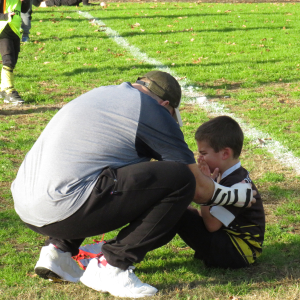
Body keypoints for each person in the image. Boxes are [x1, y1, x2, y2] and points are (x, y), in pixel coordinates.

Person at [12, 71, 255, 298]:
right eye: (171, 117)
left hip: (27, 205)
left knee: (105, 168)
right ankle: (113, 264)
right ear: (165, 106)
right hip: (65, 207)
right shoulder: (153, 112)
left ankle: (58, 252)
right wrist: (235, 195)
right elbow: (198, 190)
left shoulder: (102, 93)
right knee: (179, 178)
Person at [174, 116, 265, 269]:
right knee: (180, 208)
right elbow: (207, 217)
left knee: (177, 212)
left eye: (203, 153)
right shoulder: (225, 175)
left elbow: (211, 225)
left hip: (239, 252)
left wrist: (205, 192)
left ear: (225, 153)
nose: (199, 158)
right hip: (232, 244)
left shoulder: (238, 184)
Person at [0, 0, 30, 104]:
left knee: (13, 62)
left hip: (15, 30)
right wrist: (5, 16)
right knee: (8, 60)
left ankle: (3, 89)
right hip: (2, 30)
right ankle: (9, 91)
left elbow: (24, 9)